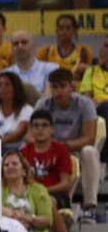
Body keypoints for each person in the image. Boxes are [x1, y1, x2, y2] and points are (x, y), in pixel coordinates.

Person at [35, 67, 101, 220]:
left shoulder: (85, 104)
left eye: (63, 86)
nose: (58, 91)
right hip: (51, 149)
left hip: (76, 148)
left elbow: (89, 138)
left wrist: (64, 146)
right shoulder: (43, 104)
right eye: (54, 87)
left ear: (72, 87)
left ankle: (90, 204)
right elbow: (31, 135)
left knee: (90, 151)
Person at [2, 149, 78, 232]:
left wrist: (27, 218)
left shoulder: (38, 190)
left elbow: (47, 221)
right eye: (6, 165)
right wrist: (13, 215)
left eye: (14, 164)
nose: (10, 167)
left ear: (24, 170)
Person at [4, 30, 57, 100]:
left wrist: (30, 91)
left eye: (24, 42)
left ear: (34, 47)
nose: (20, 46)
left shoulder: (52, 69)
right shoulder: (5, 75)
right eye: (15, 44)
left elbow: (49, 100)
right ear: (11, 49)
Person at [37, 14, 92, 79]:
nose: (64, 31)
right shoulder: (47, 51)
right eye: (61, 28)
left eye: (68, 28)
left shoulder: (83, 51)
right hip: (53, 87)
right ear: (57, 31)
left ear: (74, 31)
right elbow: (40, 75)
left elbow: (87, 77)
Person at [0, 71, 34, 152]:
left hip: (17, 151)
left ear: (16, 87)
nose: (3, 88)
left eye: (7, 85)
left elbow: (18, 134)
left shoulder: (27, 109)